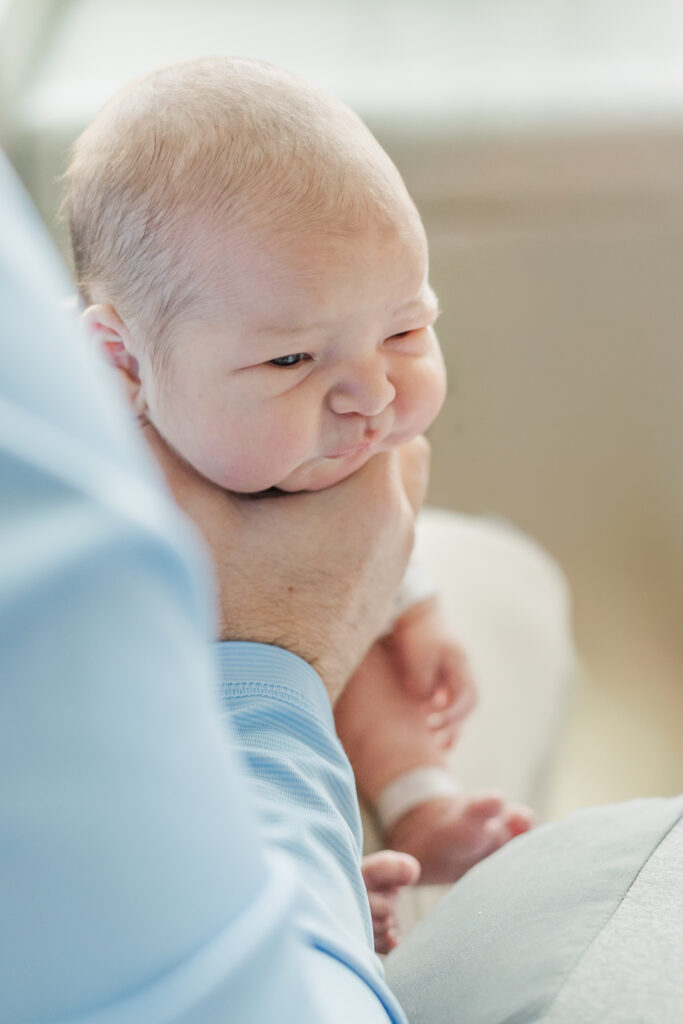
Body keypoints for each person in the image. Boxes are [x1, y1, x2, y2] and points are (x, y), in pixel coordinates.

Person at [61, 57, 533, 905]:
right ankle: (278, 881)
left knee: (366, 666)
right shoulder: (82, 469)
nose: (374, 395)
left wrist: (413, 608)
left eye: (405, 329)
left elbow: (358, 563)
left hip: (280, 731)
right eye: (291, 358)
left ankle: (417, 808)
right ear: (121, 359)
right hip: (155, 740)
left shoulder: (303, 428)